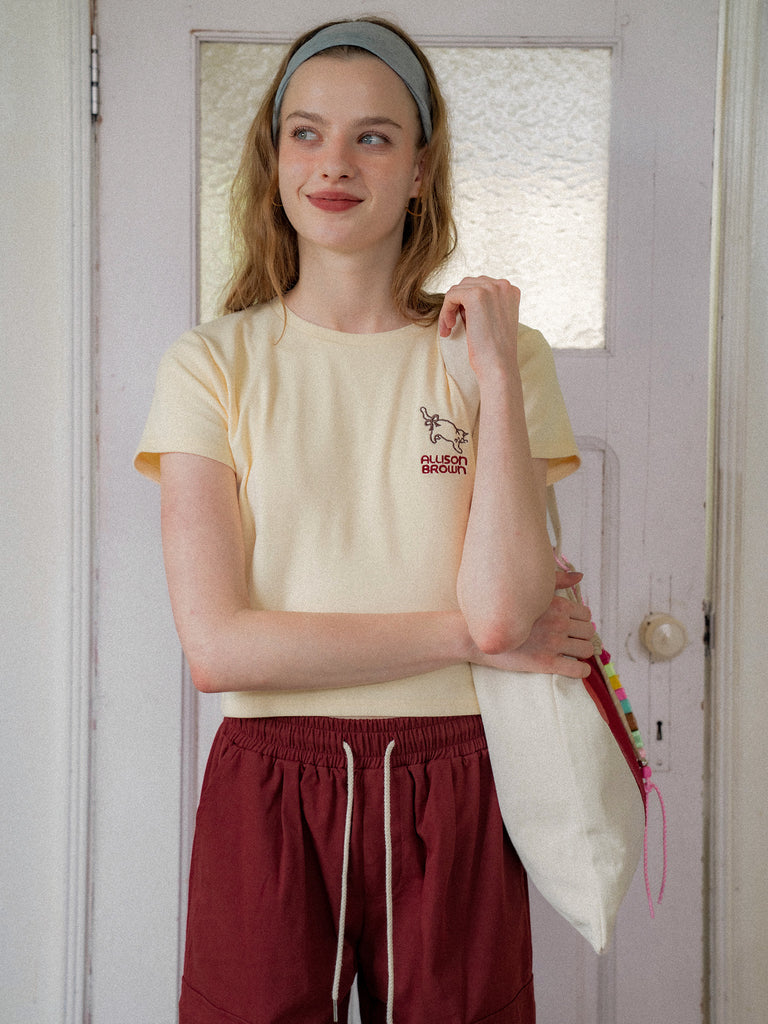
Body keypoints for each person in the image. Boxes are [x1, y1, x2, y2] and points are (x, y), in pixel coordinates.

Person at [135, 17, 594, 1024]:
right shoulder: (210, 364)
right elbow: (219, 649)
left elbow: (508, 605)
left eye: (373, 137)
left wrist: (494, 377)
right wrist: (470, 639)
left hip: (457, 771)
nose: (335, 163)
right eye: (306, 133)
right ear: (275, 160)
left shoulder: (502, 356)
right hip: (270, 778)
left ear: (421, 168)